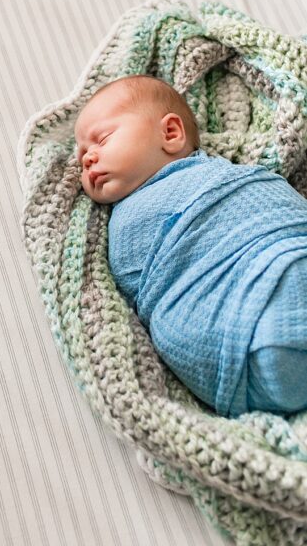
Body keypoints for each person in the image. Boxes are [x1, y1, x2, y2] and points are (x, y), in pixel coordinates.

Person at [74, 75, 307, 417]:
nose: (88, 159)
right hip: (236, 348)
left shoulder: (224, 177)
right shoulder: (117, 225)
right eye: (82, 157)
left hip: (273, 264)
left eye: (103, 139)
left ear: (170, 134)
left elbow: (268, 208)